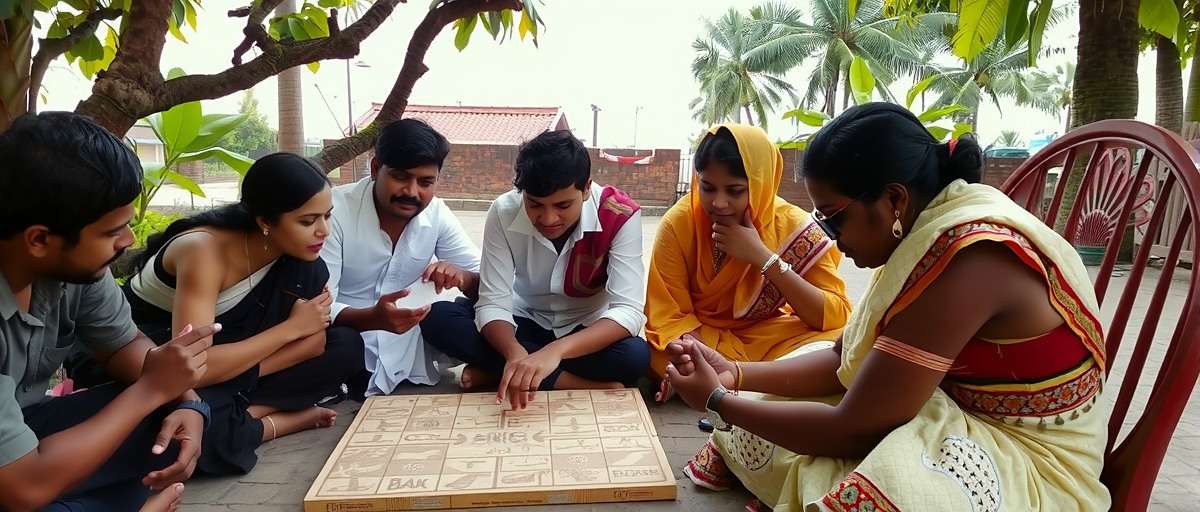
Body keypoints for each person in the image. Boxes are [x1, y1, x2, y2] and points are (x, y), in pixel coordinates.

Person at [665, 103, 1109, 511]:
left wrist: (718, 400)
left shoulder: (970, 257)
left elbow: (854, 427)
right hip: (945, 407)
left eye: (835, 217)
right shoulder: (928, 231)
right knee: (780, 395)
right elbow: (845, 357)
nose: (833, 236)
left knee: (886, 487)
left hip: (1028, 458)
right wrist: (734, 373)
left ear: (894, 200)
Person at [0, 112, 216, 511]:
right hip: (14, 475)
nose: (128, 240)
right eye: (112, 232)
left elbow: (122, 343)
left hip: (24, 436)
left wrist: (186, 401)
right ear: (40, 239)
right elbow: (21, 488)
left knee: (165, 429)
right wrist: (152, 389)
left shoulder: (70, 267)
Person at [122, 152, 364, 475]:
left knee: (346, 346)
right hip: (159, 358)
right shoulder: (203, 251)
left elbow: (315, 343)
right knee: (188, 432)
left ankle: (242, 411)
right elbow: (190, 367)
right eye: (308, 221)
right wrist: (289, 330)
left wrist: (240, 369)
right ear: (265, 222)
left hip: (235, 362)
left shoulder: (302, 259)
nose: (324, 232)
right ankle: (276, 421)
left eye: (328, 216)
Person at [421, 130, 650, 410]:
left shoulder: (620, 216)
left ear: (587, 187)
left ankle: (498, 370)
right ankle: (565, 381)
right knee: (440, 318)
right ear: (522, 192)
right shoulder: (503, 211)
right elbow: (493, 302)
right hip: (524, 322)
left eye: (563, 205)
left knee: (635, 356)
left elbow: (628, 311)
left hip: (583, 329)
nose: (549, 218)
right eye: (535, 205)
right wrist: (514, 352)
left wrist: (556, 351)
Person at [644, 124, 851, 403]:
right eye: (707, 187)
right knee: (659, 352)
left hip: (769, 337)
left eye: (735, 191)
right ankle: (757, 381)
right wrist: (700, 353)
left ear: (761, 185)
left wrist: (763, 257)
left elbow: (833, 314)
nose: (718, 203)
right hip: (702, 338)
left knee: (839, 343)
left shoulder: (793, 227)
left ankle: (722, 380)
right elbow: (667, 316)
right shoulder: (678, 224)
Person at [322, 119, 481, 396]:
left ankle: (501, 367)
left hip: (413, 340)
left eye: (425, 182)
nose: (411, 191)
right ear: (375, 169)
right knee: (337, 342)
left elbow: (492, 283)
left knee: (466, 316)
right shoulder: (334, 212)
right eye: (400, 177)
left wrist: (465, 278)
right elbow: (319, 304)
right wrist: (372, 318)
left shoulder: (437, 214)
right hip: (350, 339)